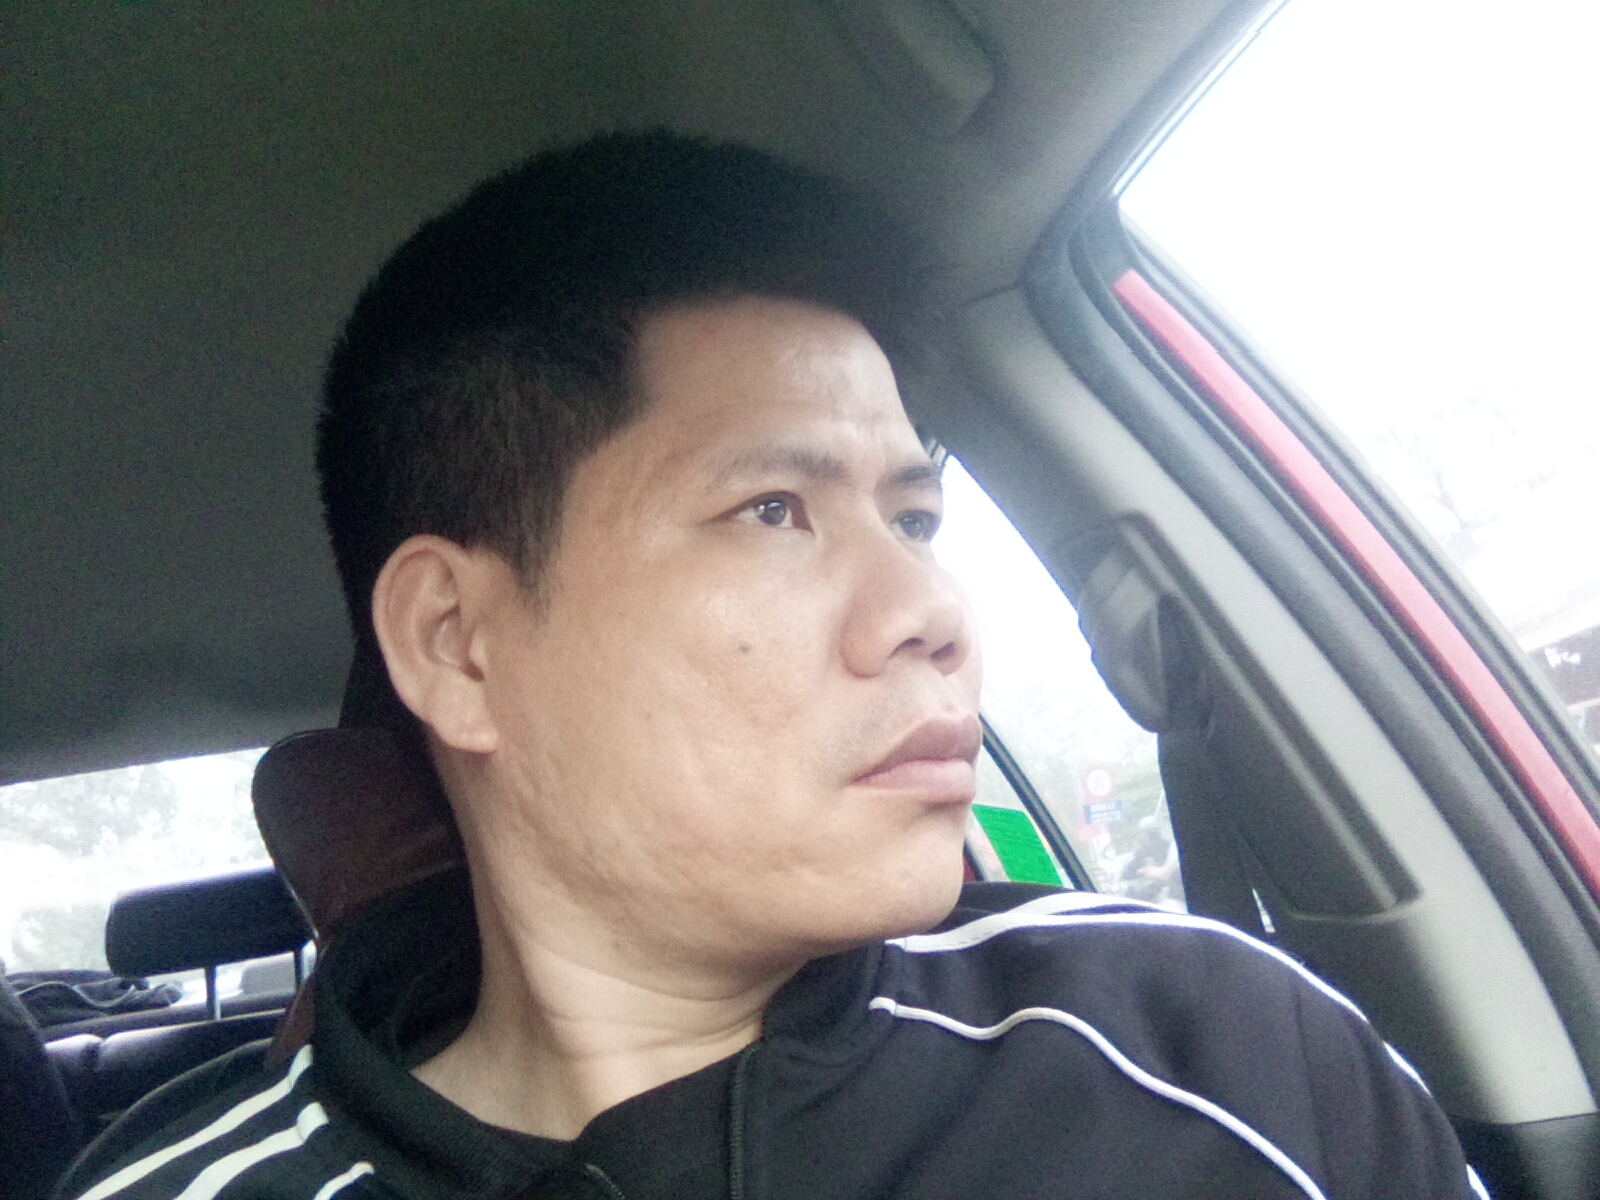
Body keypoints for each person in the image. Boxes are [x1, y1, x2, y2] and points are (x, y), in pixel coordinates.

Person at [59, 132, 1483, 1200]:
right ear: (459, 646)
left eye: (914, 518)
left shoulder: (1218, 1052)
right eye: (774, 511)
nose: (932, 608)